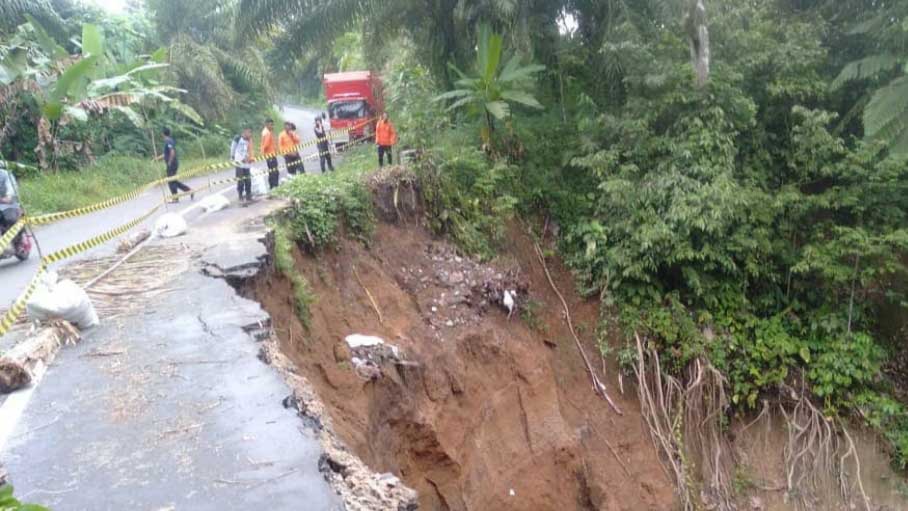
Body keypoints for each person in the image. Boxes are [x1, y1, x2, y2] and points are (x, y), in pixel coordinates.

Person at [156, 127, 192, 201]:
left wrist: (169, 162)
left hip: (172, 164)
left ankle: (175, 198)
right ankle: (188, 191)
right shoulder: (168, 141)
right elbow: (166, 153)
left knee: (171, 181)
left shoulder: (168, 141)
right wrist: (158, 158)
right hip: (173, 163)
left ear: (163, 134)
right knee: (173, 181)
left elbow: (172, 152)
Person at [0, 162, 21, 236]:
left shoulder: (6, 175)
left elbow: (11, 189)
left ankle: (19, 240)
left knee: (11, 219)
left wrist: (8, 197)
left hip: (9, 205)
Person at [234, 128, 254, 204]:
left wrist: (250, 158)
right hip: (239, 162)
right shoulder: (238, 138)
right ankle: (240, 196)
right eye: (249, 132)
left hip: (246, 163)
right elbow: (233, 148)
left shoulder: (249, 140)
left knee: (248, 180)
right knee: (240, 181)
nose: (250, 134)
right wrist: (233, 157)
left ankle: (248, 195)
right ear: (244, 132)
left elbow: (250, 150)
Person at [261, 118, 279, 189]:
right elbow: (266, 145)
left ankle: (272, 186)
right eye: (271, 125)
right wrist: (265, 152)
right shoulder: (267, 133)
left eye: (272, 125)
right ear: (267, 124)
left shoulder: (265, 132)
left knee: (272, 171)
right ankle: (274, 186)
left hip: (270, 155)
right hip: (270, 155)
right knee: (274, 172)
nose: (272, 126)